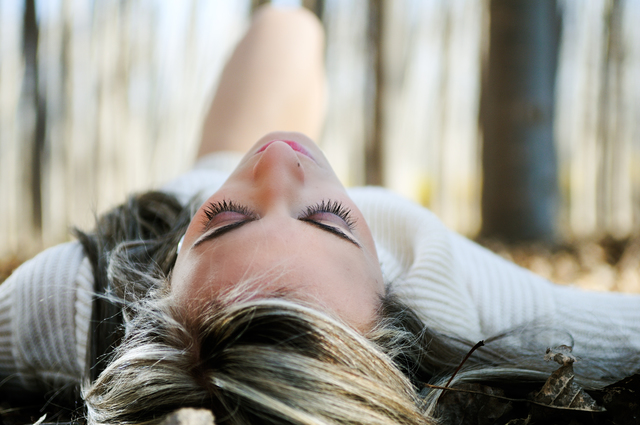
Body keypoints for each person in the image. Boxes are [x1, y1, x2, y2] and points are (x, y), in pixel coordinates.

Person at [1, 6, 638, 425]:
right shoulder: (437, 286)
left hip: (198, 179)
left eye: (224, 220)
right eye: (331, 218)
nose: (278, 163)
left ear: (160, 293)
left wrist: (225, 192)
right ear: (394, 310)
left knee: (286, 25)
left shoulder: (74, 297)